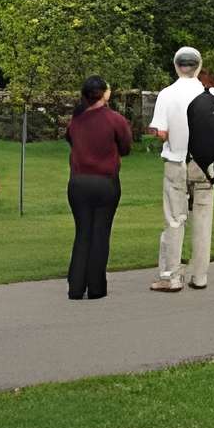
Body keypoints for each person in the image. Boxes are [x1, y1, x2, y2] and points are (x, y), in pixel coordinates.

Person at [148, 45, 214, 293]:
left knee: (175, 219)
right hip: (206, 164)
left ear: (176, 65)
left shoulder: (167, 94)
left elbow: (161, 132)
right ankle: (199, 276)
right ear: (198, 66)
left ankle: (170, 276)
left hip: (176, 161)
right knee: (203, 219)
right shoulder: (211, 93)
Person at [65, 74, 132, 301]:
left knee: (83, 231)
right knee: (100, 232)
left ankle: (75, 286)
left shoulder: (76, 121)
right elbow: (125, 148)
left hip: (78, 182)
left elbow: (71, 140)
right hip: (105, 182)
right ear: (105, 93)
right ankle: (96, 286)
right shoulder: (115, 120)